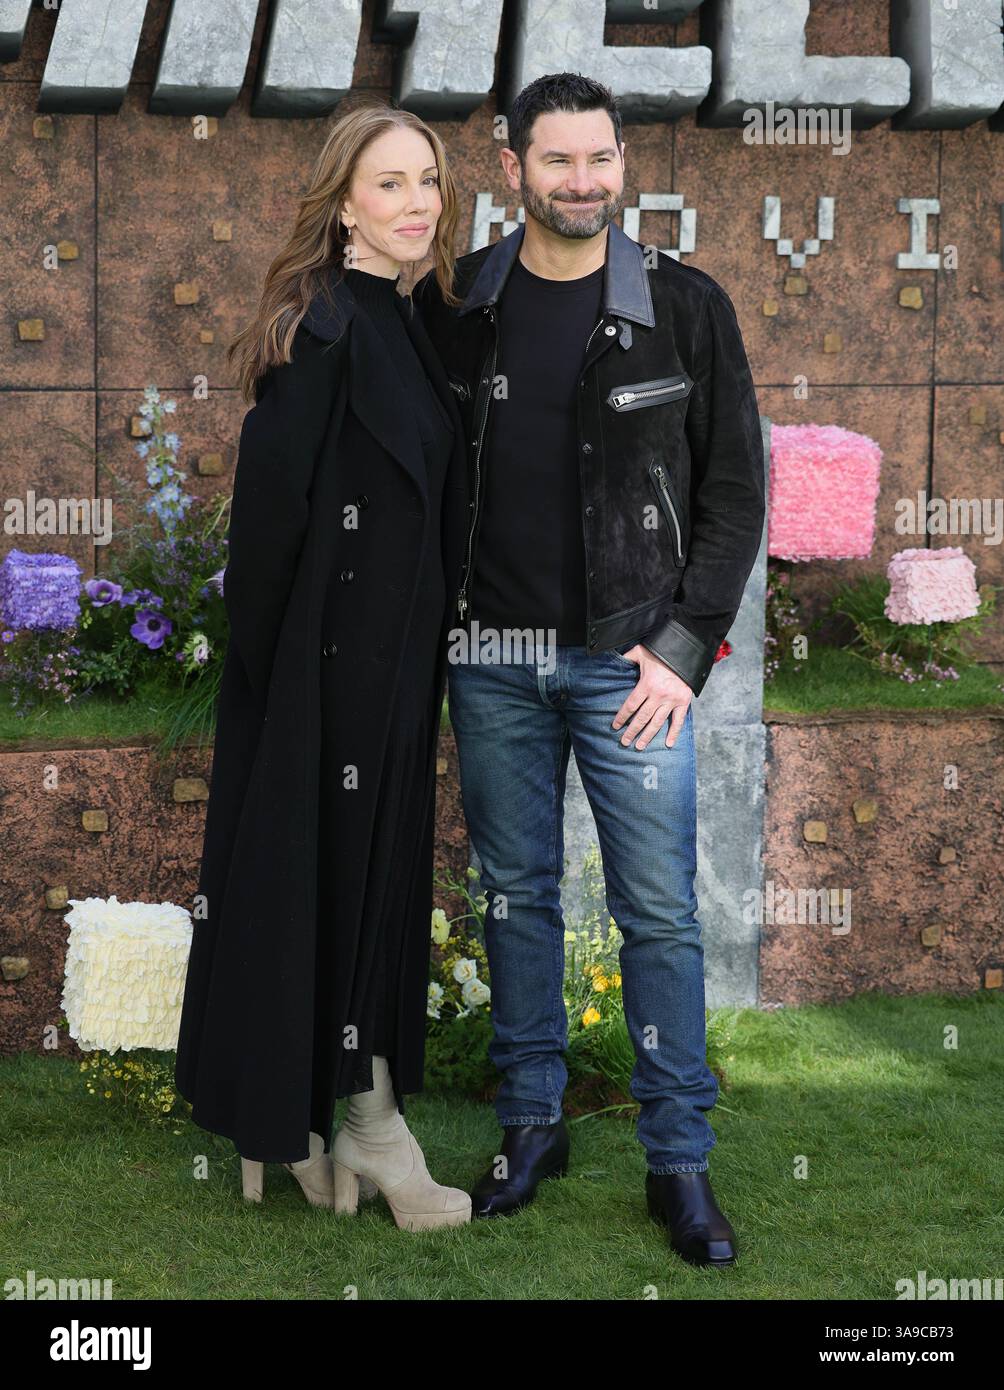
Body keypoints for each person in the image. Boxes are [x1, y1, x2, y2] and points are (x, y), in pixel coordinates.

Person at [415, 72, 765, 1265]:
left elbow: (733, 495)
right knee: (513, 894)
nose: (580, 181)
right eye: (555, 160)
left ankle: (677, 1162)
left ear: (623, 164)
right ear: (507, 165)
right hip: (493, 660)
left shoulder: (683, 306)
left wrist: (682, 647)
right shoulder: (459, 303)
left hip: (631, 666)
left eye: (599, 160)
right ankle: (529, 1124)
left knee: (657, 913)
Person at [174, 101, 472, 1232]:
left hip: (392, 677)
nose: (414, 204)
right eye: (389, 184)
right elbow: (267, 532)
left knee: (368, 886)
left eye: (428, 182)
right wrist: (285, 681)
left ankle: (311, 1123)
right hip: (325, 677)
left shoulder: (405, 319)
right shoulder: (322, 325)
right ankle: (364, 1126)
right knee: (332, 886)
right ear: (342, 199)